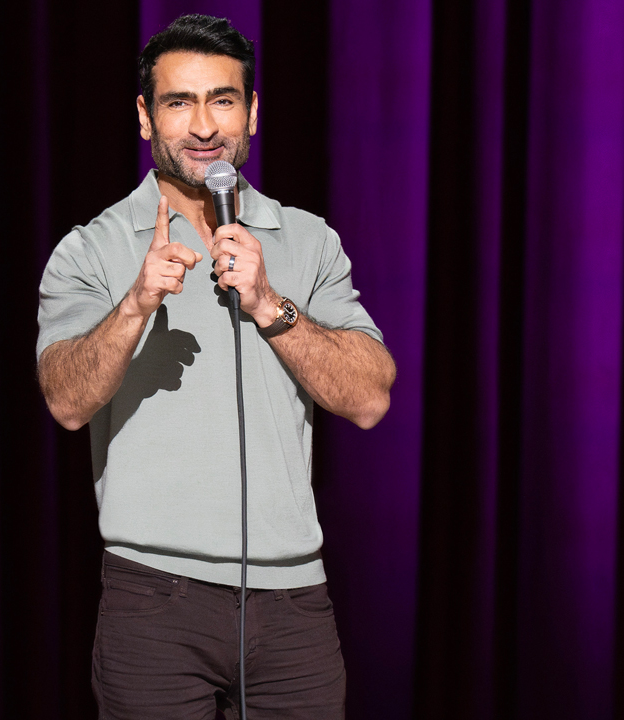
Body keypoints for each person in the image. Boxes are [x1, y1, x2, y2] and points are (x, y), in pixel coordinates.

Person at [36, 14, 395, 719]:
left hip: (295, 609)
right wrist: (136, 305)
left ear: (253, 113)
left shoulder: (309, 240)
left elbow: (370, 397)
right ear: (145, 117)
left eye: (223, 100)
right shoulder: (90, 250)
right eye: (179, 102)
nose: (204, 125)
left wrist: (270, 305)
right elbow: (65, 400)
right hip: (153, 603)